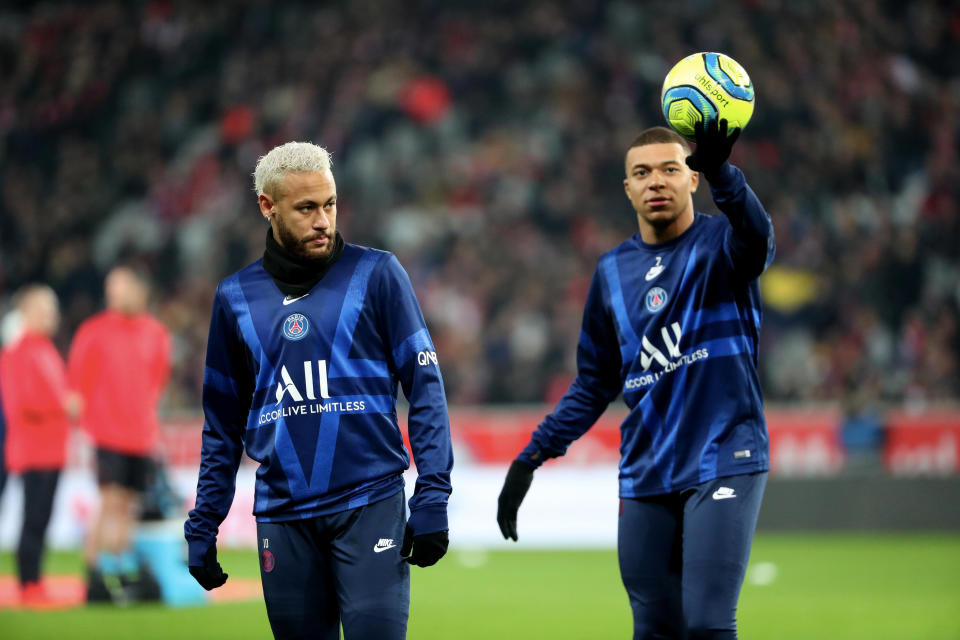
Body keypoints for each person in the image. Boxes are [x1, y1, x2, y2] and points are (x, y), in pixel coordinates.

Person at [497, 120, 775, 640]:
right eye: (642, 173)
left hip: (724, 456)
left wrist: (723, 172)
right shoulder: (611, 272)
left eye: (671, 169)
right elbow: (593, 383)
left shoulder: (722, 243)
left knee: (709, 624)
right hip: (647, 469)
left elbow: (759, 240)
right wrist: (532, 456)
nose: (656, 182)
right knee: (653, 628)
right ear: (627, 188)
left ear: (692, 179)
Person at [184, 141, 454, 639]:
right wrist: (205, 522)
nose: (323, 220)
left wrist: (433, 492)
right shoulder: (234, 298)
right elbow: (220, 425)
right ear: (268, 206)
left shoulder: (377, 274)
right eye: (306, 208)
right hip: (283, 519)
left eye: (329, 204)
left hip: (370, 503)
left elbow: (426, 388)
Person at [68, 266, 172, 601]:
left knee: (127, 504)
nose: (115, 294)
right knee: (110, 499)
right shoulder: (94, 331)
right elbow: (77, 382)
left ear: (138, 292)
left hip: (140, 434)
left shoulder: (155, 333)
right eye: (112, 288)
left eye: (121, 287)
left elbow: (158, 380)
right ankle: (94, 571)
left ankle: (120, 569)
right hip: (107, 432)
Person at [0, 285, 81, 606]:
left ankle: (35, 580)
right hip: (32, 449)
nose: (52, 316)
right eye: (45, 310)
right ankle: (27, 583)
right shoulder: (17, 353)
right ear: (26, 313)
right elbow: (22, 404)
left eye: (53, 310)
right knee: (33, 518)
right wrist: (64, 406)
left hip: (51, 449)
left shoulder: (45, 349)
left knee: (42, 517)